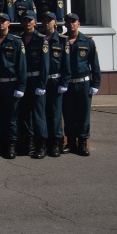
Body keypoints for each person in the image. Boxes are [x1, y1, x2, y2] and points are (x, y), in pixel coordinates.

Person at [63, 13, 101, 156]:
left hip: (83, 83)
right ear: (65, 24)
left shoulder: (87, 42)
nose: (71, 24)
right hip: (68, 84)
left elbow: (94, 64)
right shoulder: (62, 41)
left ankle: (83, 143)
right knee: (68, 113)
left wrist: (95, 83)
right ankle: (71, 142)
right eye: (68, 22)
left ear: (79, 23)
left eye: (73, 21)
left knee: (83, 114)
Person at [0, 13, 26, 160]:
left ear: (9, 24)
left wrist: (21, 87)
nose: (0, 23)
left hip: (11, 84)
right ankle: (0, 144)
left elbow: (22, 66)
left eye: (3, 21)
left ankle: (11, 145)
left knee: (11, 117)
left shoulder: (16, 42)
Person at [17, 10, 50, 159]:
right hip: (24, 81)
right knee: (25, 113)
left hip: (36, 80)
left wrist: (42, 85)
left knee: (38, 115)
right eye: (24, 20)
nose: (27, 23)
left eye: (30, 20)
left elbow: (45, 65)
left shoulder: (41, 39)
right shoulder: (20, 39)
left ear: (35, 22)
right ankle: (29, 143)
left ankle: (41, 145)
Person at [42, 12, 71, 157]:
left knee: (55, 114)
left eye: (50, 20)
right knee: (42, 113)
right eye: (45, 20)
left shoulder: (61, 40)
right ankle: (45, 142)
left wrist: (64, 82)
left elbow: (66, 63)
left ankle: (56, 143)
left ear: (55, 23)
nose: (47, 23)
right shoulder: (39, 39)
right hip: (42, 81)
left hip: (55, 81)